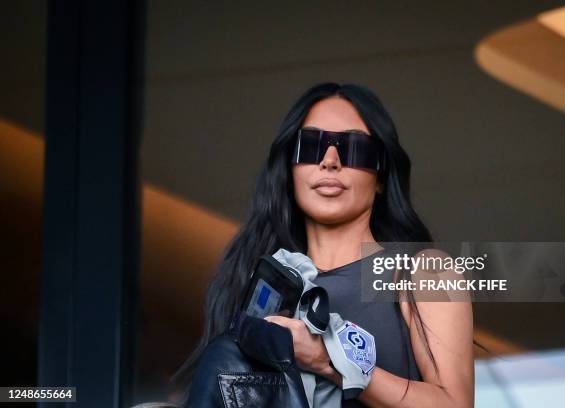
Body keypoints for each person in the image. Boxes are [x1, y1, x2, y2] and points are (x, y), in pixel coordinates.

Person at [176, 82, 475, 407]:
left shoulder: (422, 271)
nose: (330, 160)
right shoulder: (258, 280)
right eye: (311, 145)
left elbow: (455, 404)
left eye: (354, 147)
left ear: (381, 177)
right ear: (289, 170)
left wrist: (327, 360)